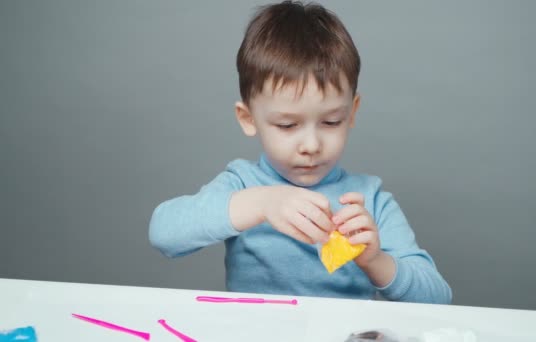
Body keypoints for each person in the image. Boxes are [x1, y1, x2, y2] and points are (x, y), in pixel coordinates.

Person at [149, 1, 452, 304]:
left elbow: (438, 298)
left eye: (331, 122)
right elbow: (163, 233)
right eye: (287, 125)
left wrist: (376, 261)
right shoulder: (243, 184)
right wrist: (259, 203)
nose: (311, 145)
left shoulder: (370, 199)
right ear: (248, 119)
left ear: (352, 113)